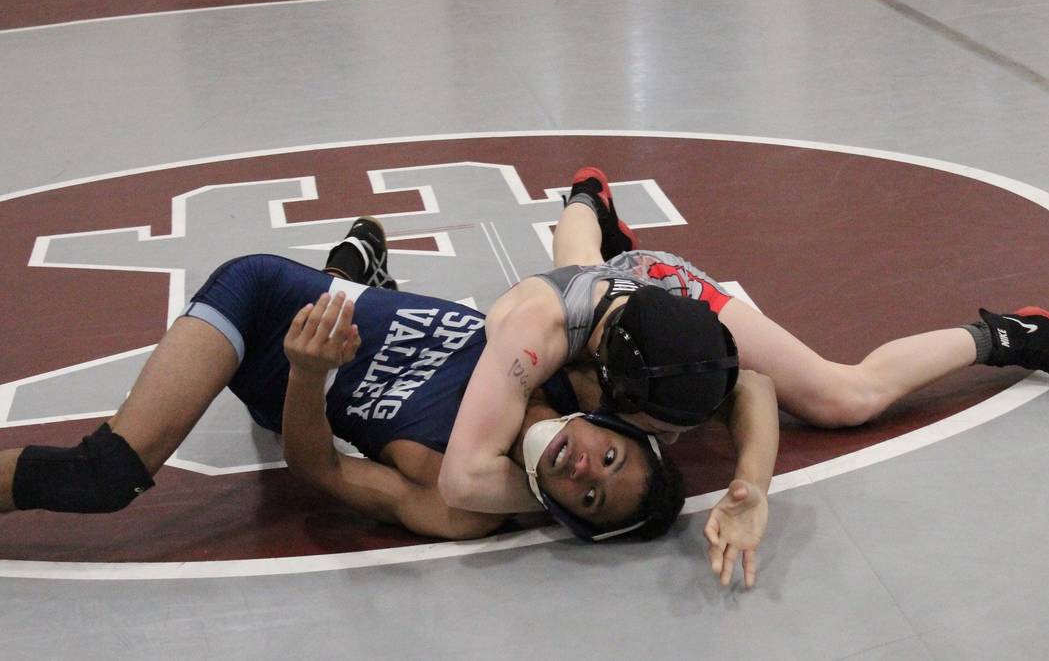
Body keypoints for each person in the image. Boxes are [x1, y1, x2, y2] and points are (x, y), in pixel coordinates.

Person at [439, 165, 1049, 588]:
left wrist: (752, 485)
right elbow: (460, 482)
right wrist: (600, 505)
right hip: (583, 312)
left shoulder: (670, 340)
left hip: (657, 289)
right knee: (577, 265)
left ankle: (1007, 336)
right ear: (618, 395)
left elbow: (752, 385)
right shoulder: (524, 339)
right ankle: (587, 200)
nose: (673, 439)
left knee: (844, 397)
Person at [0, 219, 686, 543]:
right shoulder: (580, 378)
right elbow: (739, 382)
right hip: (269, 297)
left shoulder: (462, 504)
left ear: (568, 515)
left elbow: (317, 466)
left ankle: (354, 268)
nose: (584, 467)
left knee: (109, 478)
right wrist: (749, 482)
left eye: (591, 496)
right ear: (613, 427)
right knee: (109, 469)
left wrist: (306, 374)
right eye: (611, 455)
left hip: (298, 375)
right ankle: (347, 275)